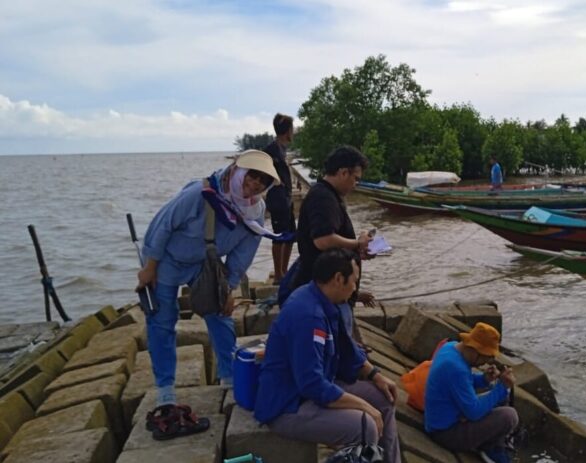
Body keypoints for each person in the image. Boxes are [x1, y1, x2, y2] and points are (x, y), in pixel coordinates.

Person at [136, 150, 281, 437]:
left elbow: (243, 253)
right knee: (162, 322)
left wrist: (229, 287)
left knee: (221, 315)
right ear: (237, 171)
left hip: (205, 264)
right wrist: (149, 268)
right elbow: (162, 226)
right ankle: (165, 391)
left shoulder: (255, 211)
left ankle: (228, 377)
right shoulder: (200, 193)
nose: (253, 185)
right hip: (167, 259)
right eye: (251, 176)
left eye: (262, 183)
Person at [254, 248, 400, 463]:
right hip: (289, 405)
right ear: (339, 279)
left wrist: (375, 375)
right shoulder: (308, 316)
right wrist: (364, 406)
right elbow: (311, 384)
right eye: (354, 281)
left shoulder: (324, 301)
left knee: (384, 398)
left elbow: (347, 349)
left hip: (316, 388)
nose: (355, 288)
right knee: (365, 424)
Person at [287, 145, 374, 306]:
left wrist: (357, 250)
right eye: (355, 178)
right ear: (343, 173)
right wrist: (357, 243)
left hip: (332, 291)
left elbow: (331, 244)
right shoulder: (323, 198)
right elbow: (323, 240)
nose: (356, 184)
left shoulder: (327, 195)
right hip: (325, 294)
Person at [424, 322, 519, 463]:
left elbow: (460, 383)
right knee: (509, 416)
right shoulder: (456, 368)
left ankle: (493, 444)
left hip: (440, 419)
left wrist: (483, 379)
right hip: (445, 433)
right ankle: (489, 448)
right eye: (486, 357)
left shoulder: (450, 348)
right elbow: (473, 412)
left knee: (499, 398)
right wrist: (502, 386)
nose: (486, 362)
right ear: (474, 350)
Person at [265, 113, 296, 285]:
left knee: (291, 235)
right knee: (279, 236)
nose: (294, 132)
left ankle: (284, 270)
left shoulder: (283, 149)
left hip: (287, 197)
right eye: (292, 129)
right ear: (287, 131)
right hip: (277, 198)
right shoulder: (271, 149)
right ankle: (278, 274)